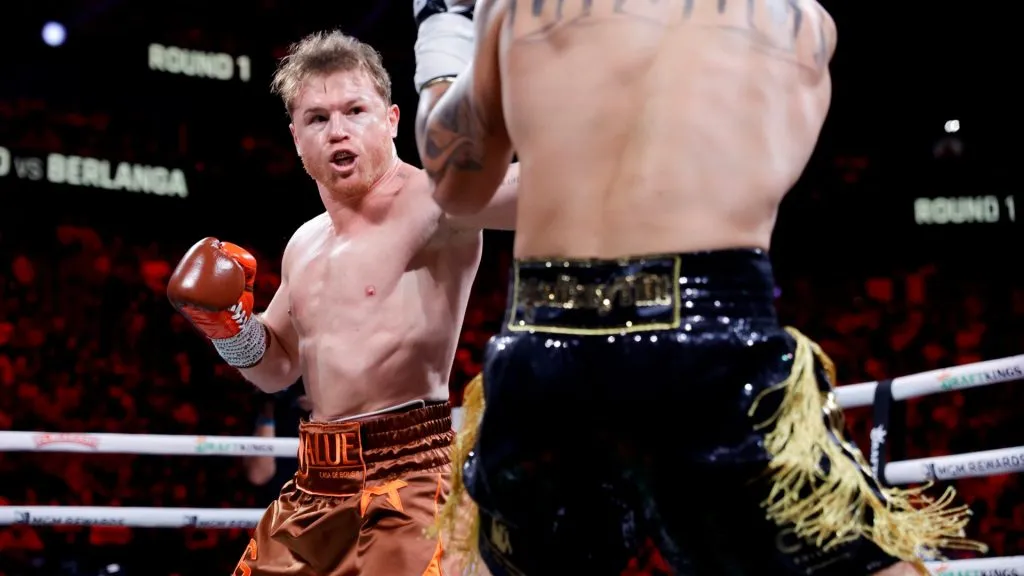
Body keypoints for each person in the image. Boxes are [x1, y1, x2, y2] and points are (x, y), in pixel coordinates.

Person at [414, 1, 986, 575]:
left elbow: (457, 185)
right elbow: (761, 182)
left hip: (546, 342)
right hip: (708, 333)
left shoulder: (522, 9)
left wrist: (442, 31)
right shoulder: (797, 22)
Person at [167, 28, 518, 575]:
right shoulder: (305, 243)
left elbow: (533, 188)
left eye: (355, 110)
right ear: (296, 137)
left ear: (393, 119)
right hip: (314, 484)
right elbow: (276, 368)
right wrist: (228, 326)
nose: (338, 131)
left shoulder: (434, 203)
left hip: (411, 479)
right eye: (318, 118)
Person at [243, 388, 311, 505]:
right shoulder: (267, 407)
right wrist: (268, 409)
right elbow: (258, 475)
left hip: (318, 504)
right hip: (276, 503)